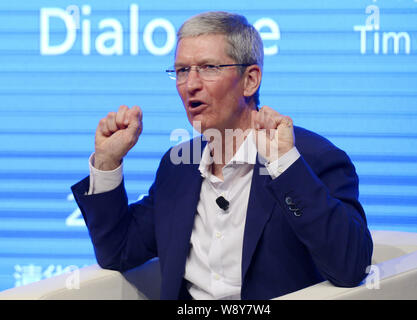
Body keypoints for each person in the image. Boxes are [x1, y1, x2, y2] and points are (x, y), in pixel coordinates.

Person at [71, 11, 373, 300]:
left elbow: (351, 267)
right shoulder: (178, 166)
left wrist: (284, 165)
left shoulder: (312, 158)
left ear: (250, 80)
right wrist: (107, 162)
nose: (191, 85)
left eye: (209, 68)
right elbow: (119, 250)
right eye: (182, 71)